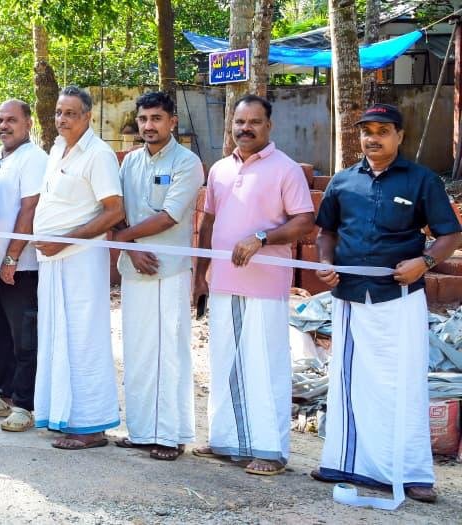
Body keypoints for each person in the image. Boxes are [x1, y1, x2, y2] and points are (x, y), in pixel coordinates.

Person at [310, 104, 462, 503]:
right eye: (366, 131)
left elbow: (450, 235)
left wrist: (425, 262)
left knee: (403, 382)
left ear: (399, 136)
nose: (372, 138)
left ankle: (411, 473)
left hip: (398, 298)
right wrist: (324, 262)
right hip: (348, 297)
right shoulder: (342, 182)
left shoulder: (421, 181)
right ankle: (344, 461)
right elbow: (325, 232)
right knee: (348, 381)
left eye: (382, 130)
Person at [192, 94, 314, 475]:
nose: (245, 128)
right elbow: (209, 223)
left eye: (254, 122)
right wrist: (201, 275)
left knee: (264, 365)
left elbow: (303, 222)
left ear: (269, 126)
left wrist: (261, 237)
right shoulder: (219, 170)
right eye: (239, 122)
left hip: (264, 283)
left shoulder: (286, 169)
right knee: (225, 360)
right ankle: (226, 439)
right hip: (223, 281)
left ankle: (269, 450)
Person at [108, 91, 204, 460]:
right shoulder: (130, 162)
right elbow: (118, 211)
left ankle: (169, 436)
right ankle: (141, 430)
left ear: (172, 122)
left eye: (157, 119)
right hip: (134, 269)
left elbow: (169, 216)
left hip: (169, 270)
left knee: (169, 352)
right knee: (136, 351)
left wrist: (122, 238)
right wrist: (128, 246)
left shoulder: (187, 162)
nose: (149, 126)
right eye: (144, 119)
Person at [31, 86, 125, 449]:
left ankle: (91, 426)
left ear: (88, 116)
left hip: (80, 260)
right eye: (58, 112)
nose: (62, 119)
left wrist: (65, 240)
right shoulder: (56, 149)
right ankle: (63, 415)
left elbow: (114, 211)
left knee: (84, 339)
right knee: (57, 337)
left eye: (71, 113)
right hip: (52, 260)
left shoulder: (98, 154)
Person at [0, 99, 48, 432]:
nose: (4, 125)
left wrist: (13, 255)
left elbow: (29, 210)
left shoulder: (34, 159)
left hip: (20, 267)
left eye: (11, 120)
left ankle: (24, 404)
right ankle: (5, 393)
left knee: (24, 340)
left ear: (28, 123)